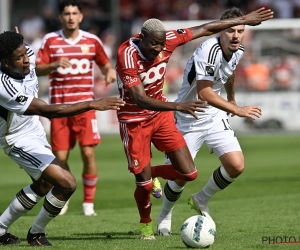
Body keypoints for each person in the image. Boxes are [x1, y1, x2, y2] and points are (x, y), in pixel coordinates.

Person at [115, 8, 273, 240]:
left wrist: (231, 99)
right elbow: (201, 93)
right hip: (171, 117)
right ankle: (157, 218)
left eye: (241, 30)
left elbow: (226, 69)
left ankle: (197, 197)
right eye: (231, 30)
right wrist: (237, 110)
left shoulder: (233, 49)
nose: (158, 50)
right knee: (165, 180)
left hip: (200, 116)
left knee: (216, 169)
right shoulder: (129, 54)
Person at [0, 30, 125, 246]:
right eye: (19, 58)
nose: (27, 60)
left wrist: (20, 42)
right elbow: (49, 111)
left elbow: (24, 51)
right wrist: (91, 103)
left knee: (45, 185)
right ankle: (36, 233)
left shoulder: (24, 53)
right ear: (5, 62)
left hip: (34, 131)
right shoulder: (4, 86)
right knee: (67, 183)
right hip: (16, 139)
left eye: (25, 53)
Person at [35, 0, 132, 216]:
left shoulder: (92, 40)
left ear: (81, 16)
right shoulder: (50, 40)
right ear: (61, 17)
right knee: (60, 157)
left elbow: (105, 64)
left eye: (74, 13)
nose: (70, 17)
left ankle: (88, 203)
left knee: (88, 154)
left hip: (85, 107)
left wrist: (108, 72)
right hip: (60, 109)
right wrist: (53, 64)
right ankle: (64, 195)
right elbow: (38, 69)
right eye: (66, 13)